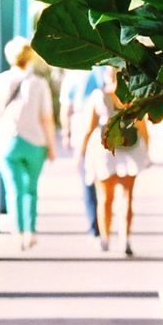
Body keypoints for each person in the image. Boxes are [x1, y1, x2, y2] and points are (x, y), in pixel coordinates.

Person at [0, 36, 56, 250]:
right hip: (35, 142)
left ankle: (17, 231)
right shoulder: (39, 84)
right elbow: (47, 118)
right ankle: (30, 231)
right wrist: (52, 146)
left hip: (6, 142)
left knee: (13, 189)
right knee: (31, 189)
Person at [79, 66, 149, 256]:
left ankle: (104, 239)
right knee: (127, 197)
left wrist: (81, 152)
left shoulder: (99, 96)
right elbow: (142, 126)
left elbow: (89, 128)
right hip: (130, 149)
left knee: (105, 198)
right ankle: (125, 239)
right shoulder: (133, 97)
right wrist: (147, 150)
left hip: (105, 150)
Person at [59, 67, 103, 236]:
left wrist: (66, 132)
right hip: (101, 123)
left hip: (80, 122)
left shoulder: (72, 75)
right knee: (104, 174)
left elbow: (66, 108)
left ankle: (94, 224)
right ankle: (104, 217)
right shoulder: (102, 70)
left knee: (86, 177)